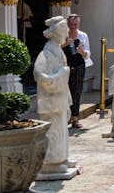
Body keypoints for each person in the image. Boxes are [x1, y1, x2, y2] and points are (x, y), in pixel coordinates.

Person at [34, 16, 72, 173]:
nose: (67, 32)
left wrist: (63, 73)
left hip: (59, 97)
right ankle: (53, 161)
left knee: (61, 128)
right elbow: (40, 76)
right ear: (56, 32)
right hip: (51, 99)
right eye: (64, 29)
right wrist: (62, 74)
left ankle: (62, 157)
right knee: (54, 131)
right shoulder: (46, 53)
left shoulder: (57, 50)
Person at [63, 14, 92, 129]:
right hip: (65, 66)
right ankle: (65, 117)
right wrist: (65, 44)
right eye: (71, 25)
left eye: (75, 25)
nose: (73, 27)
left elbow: (87, 54)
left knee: (77, 91)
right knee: (66, 91)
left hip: (79, 65)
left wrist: (82, 52)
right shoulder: (63, 35)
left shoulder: (83, 36)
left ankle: (75, 118)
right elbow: (56, 48)